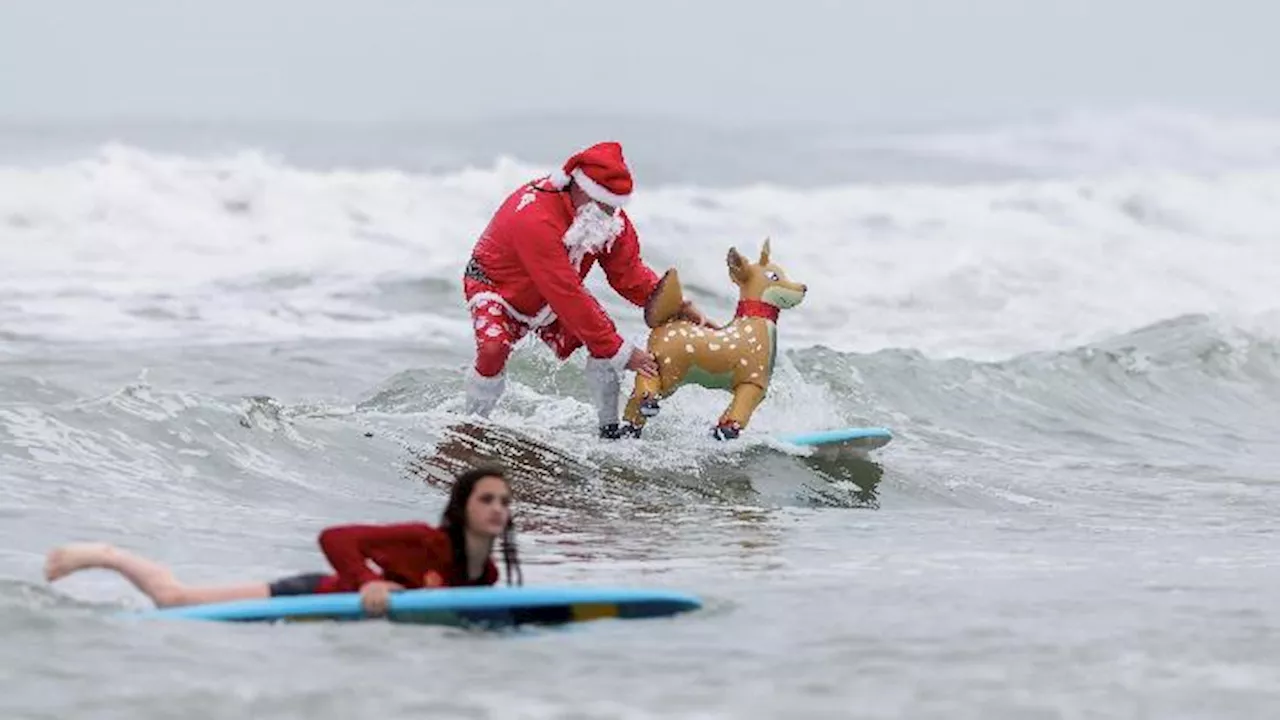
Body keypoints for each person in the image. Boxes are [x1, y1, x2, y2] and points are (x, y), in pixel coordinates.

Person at [462, 141, 717, 437]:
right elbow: (565, 291)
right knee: (494, 349)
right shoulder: (534, 217)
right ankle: (472, 425)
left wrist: (679, 307)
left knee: (603, 342)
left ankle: (609, 431)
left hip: (551, 298)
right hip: (497, 289)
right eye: (606, 204)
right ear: (581, 189)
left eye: (616, 206)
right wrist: (622, 351)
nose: (611, 214)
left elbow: (629, 273)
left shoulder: (605, 217)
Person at [42, 466, 521, 616]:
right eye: (487, 499)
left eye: (504, 500)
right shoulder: (424, 541)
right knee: (174, 600)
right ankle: (106, 555)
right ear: (462, 507)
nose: (498, 508)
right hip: (311, 594)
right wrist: (366, 583)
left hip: (330, 617)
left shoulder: (488, 573)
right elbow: (336, 538)